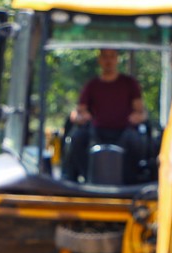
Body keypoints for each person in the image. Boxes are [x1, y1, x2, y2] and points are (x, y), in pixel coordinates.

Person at [63, 47, 149, 181]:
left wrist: (139, 116)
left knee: (137, 142)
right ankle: (86, 177)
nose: (108, 61)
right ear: (100, 60)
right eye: (105, 57)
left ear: (117, 59)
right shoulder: (92, 85)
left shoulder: (129, 83)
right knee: (77, 139)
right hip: (96, 132)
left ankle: (130, 180)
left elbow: (140, 110)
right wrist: (81, 116)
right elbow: (80, 110)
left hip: (125, 131)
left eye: (112, 56)